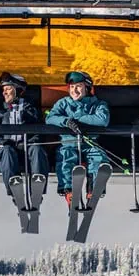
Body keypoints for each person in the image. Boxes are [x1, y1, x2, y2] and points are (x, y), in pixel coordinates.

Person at [44, 70, 111, 205]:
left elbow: (102, 119)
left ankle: (93, 189)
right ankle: (69, 190)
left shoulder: (98, 104)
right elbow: (50, 118)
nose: (74, 90)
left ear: (87, 87)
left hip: (90, 143)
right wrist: (66, 122)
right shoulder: (63, 103)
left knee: (98, 157)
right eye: (72, 87)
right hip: (69, 143)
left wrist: (77, 119)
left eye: (78, 86)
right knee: (65, 157)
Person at [0, 72, 51, 197]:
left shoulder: (31, 109)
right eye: (3, 90)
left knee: (37, 148)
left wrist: (32, 141)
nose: (4, 92)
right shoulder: (0, 112)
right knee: (7, 151)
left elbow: (39, 132)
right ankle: (15, 192)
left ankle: (37, 190)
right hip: (10, 149)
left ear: (18, 90)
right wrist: (1, 143)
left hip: (28, 147)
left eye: (8, 89)